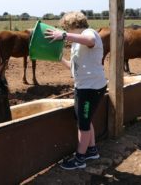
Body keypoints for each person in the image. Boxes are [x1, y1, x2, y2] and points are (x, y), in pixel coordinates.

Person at [44, 11, 107, 170]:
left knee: (83, 125)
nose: (66, 30)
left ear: (73, 25)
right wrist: (59, 59)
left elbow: (90, 40)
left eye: (66, 28)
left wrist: (64, 35)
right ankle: (92, 150)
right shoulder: (76, 44)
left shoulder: (88, 33)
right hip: (84, 86)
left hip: (90, 88)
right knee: (85, 120)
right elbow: (74, 68)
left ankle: (80, 159)